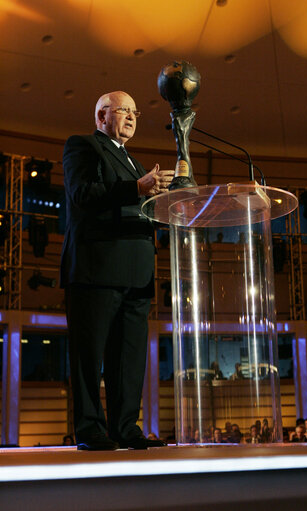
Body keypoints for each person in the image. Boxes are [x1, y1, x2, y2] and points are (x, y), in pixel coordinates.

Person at [61, 90, 174, 450]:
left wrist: (169, 208)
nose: (130, 117)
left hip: (137, 276)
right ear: (101, 117)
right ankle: (90, 430)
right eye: (123, 111)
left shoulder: (136, 164)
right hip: (97, 270)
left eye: (135, 112)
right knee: (89, 357)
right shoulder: (83, 146)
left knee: (128, 358)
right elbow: (83, 194)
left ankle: (125, 427)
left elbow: (145, 209)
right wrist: (137, 188)